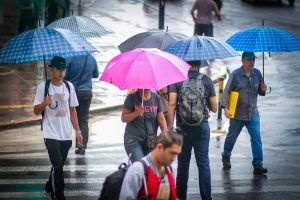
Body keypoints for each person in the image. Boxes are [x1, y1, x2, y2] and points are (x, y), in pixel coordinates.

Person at [34, 56, 83, 200]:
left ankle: (49, 188)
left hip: (66, 134)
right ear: (51, 69)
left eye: (64, 69)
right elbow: (36, 111)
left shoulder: (69, 86)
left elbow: (73, 110)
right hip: (50, 134)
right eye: (58, 69)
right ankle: (59, 196)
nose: (62, 72)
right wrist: (45, 102)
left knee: (58, 165)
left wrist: (78, 132)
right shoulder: (43, 87)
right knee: (58, 166)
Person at [168, 60, 217, 200]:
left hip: (182, 128)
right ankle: (206, 197)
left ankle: (181, 196)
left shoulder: (177, 79)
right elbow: (214, 108)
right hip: (201, 127)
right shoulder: (206, 80)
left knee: (183, 162)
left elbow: (171, 105)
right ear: (199, 63)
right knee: (203, 163)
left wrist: (170, 129)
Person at [220, 52, 268, 175]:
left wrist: (263, 90)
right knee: (231, 137)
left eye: (253, 60)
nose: (252, 62)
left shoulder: (257, 73)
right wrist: (225, 108)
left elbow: (260, 91)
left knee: (256, 139)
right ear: (243, 61)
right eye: (249, 60)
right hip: (237, 114)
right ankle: (226, 156)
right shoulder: (236, 75)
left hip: (253, 113)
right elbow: (226, 91)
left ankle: (258, 164)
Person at [119, 129, 183, 200]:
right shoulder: (138, 170)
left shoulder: (169, 169)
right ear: (159, 147)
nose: (174, 158)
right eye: (172, 153)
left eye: (176, 154)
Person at [64, 54, 99, 155]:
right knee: (83, 120)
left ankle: (65, 145)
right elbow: (96, 74)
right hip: (86, 92)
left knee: (68, 118)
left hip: (71, 91)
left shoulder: (69, 57)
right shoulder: (92, 58)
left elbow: (64, 75)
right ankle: (81, 146)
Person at [121, 89, 168, 162]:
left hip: (151, 141)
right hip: (133, 140)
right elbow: (124, 118)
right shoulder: (131, 98)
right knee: (141, 164)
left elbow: (161, 119)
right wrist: (137, 112)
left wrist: (167, 136)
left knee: (151, 167)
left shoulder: (156, 97)